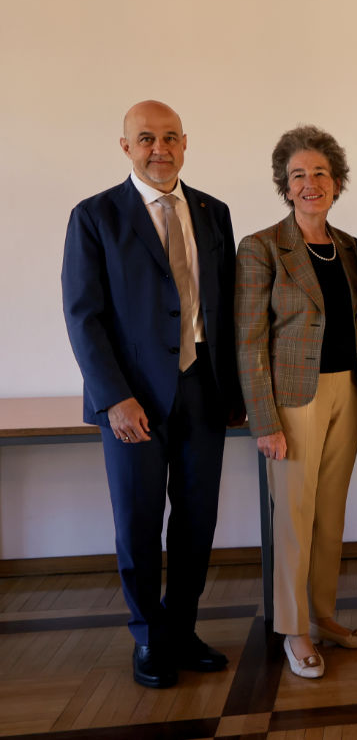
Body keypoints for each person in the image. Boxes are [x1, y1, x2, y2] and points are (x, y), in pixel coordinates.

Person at [61, 100, 244, 688]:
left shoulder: (214, 213)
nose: (159, 149)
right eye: (146, 138)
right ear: (125, 147)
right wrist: (114, 397)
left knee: (196, 522)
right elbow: (83, 316)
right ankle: (148, 636)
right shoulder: (95, 217)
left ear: (185, 143)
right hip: (132, 402)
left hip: (203, 391)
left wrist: (235, 392)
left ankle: (183, 628)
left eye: (169, 138)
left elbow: (229, 308)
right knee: (138, 524)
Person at [235, 126, 357, 679]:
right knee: (294, 519)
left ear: (337, 181)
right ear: (284, 186)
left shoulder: (347, 245)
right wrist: (264, 420)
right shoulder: (262, 246)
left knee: (329, 514)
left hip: (350, 388)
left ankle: (325, 616)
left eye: (320, 172)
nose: (310, 183)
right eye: (298, 175)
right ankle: (294, 629)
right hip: (293, 400)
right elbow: (249, 339)